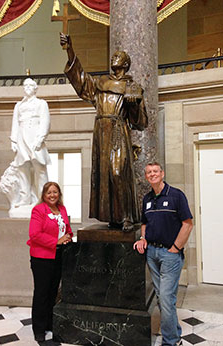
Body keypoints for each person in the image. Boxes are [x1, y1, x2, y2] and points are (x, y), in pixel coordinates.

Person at [60, 33, 148, 232]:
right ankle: (114, 217)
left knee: (117, 172)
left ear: (125, 64)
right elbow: (81, 80)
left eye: (118, 57)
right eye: (113, 56)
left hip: (118, 130)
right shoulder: (101, 84)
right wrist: (69, 50)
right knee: (104, 175)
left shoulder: (132, 87)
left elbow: (140, 122)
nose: (113, 58)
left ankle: (126, 216)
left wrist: (133, 106)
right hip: (101, 131)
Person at [133, 162, 193, 346]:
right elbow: (144, 223)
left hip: (170, 254)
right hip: (151, 252)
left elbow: (187, 223)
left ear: (162, 173)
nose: (152, 174)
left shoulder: (176, 195)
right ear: (146, 176)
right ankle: (174, 334)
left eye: (155, 171)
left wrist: (175, 247)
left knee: (166, 298)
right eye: (149, 172)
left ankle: (171, 341)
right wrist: (143, 238)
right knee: (162, 297)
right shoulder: (147, 199)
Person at [27, 182, 73, 342]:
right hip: (42, 258)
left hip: (58, 256)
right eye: (49, 192)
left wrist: (68, 236)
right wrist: (57, 241)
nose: (52, 195)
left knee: (53, 292)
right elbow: (35, 234)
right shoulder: (38, 210)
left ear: (59, 194)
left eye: (55, 192)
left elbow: (67, 229)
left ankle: (49, 324)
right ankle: (38, 330)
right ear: (44, 195)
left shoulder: (62, 209)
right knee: (41, 293)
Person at [10, 78, 51, 206]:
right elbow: (15, 123)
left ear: (35, 88)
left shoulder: (41, 103)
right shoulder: (19, 105)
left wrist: (40, 139)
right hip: (22, 137)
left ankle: (42, 198)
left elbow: (45, 121)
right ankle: (25, 198)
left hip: (35, 137)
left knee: (40, 168)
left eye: (30, 85)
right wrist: (14, 140)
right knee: (22, 168)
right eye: (25, 85)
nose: (27, 87)